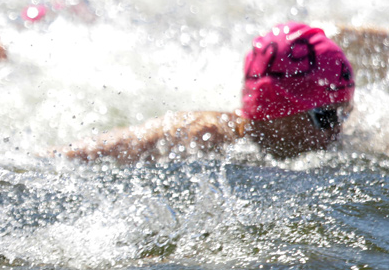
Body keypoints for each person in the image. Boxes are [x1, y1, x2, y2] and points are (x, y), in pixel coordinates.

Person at [60, 22, 355, 164]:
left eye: (345, 111)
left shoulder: (348, 143)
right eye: (326, 116)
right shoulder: (203, 135)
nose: (340, 128)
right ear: (277, 111)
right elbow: (67, 158)